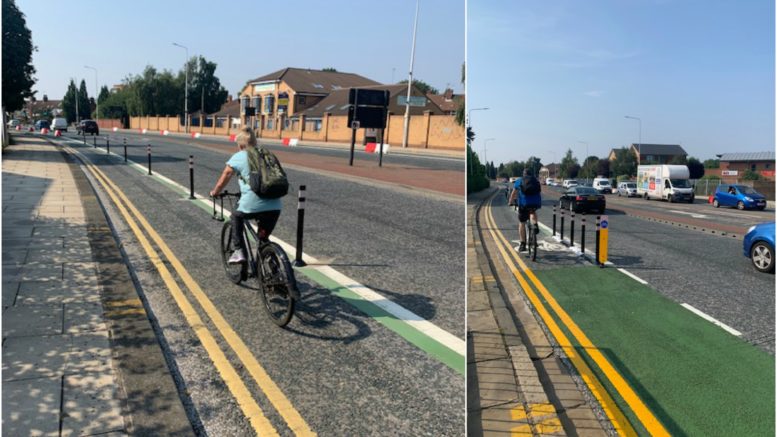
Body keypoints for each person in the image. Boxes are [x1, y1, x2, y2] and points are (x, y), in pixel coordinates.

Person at [210, 127, 282, 264]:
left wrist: (215, 192)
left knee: (236, 216)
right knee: (263, 239)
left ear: (241, 145)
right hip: (275, 204)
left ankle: (238, 251)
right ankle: (274, 268)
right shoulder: (267, 154)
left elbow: (226, 175)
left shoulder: (239, 156)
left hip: (252, 203)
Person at [508, 169, 542, 252]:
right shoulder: (535, 181)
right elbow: (539, 192)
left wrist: (510, 202)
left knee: (522, 223)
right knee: (532, 212)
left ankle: (523, 244)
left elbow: (513, 193)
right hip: (535, 203)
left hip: (524, 204)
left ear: (523, 174)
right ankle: (535, 225)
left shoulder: (519, 181)